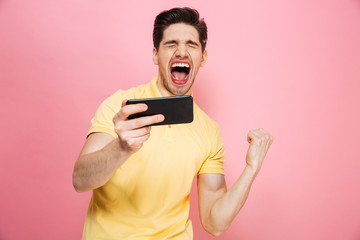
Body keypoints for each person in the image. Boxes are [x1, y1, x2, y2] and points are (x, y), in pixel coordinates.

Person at [72, 7, 273, 240]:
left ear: (203, 57)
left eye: (191, 44)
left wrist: (251, 169)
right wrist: (121, 148)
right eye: (171, 44)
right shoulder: (121, 105)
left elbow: (215, 223)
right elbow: (80, 180)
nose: (181, 51)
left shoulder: (209, 131)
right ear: (156, 54)